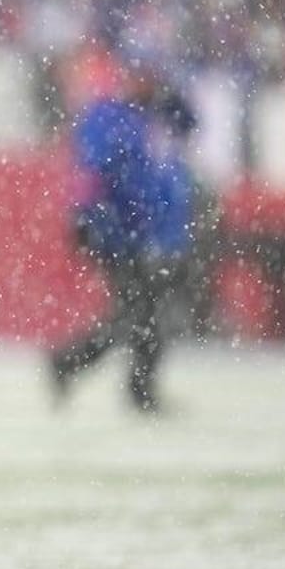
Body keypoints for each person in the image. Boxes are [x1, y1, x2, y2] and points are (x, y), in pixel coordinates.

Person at [49, 57, 196, 414]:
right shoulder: (109, 116)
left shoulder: (150, 117)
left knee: (142, 313)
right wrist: (85, 216)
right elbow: (91, 170)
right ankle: (86, 367)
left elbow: (191, 127)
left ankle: (81, 365)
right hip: (118, 232)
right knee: (141, 313)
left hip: (147, 232)